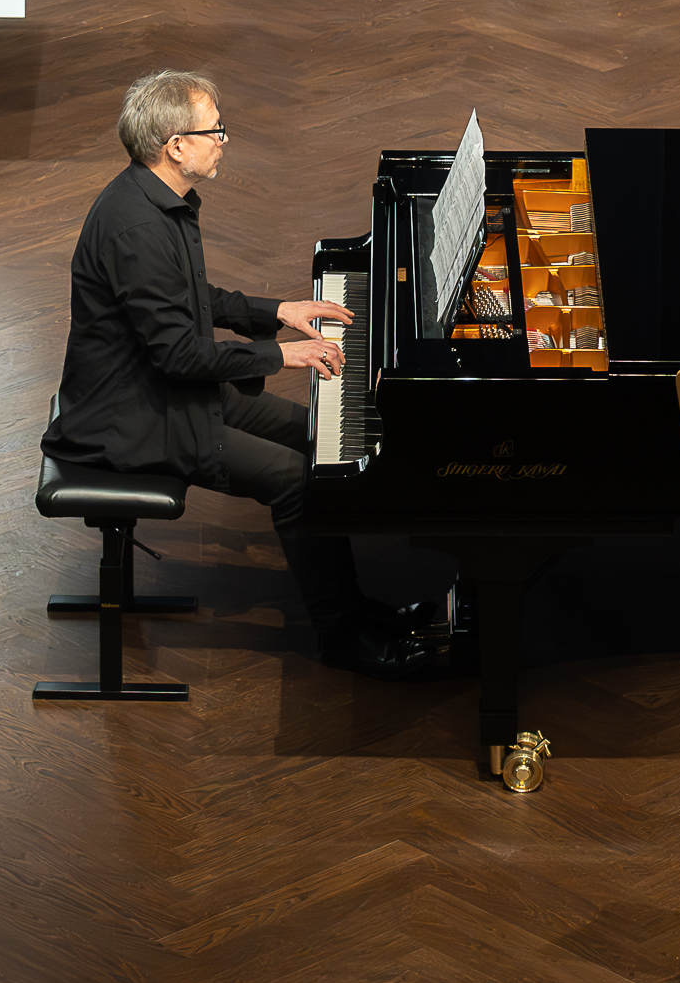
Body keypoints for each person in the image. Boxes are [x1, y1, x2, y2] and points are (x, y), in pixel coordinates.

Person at [40, 68, 443, 679]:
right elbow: (179, 356)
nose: (223, 140)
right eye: (215, 130)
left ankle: (359, 609)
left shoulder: (153, 198)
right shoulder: (138, 228)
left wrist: (277, 312)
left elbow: (193, 301)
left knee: (318, 438)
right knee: (294, 480)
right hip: (133, 416)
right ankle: (342, 636)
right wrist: (282, 356)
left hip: (165, 390)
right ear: (177, 146)